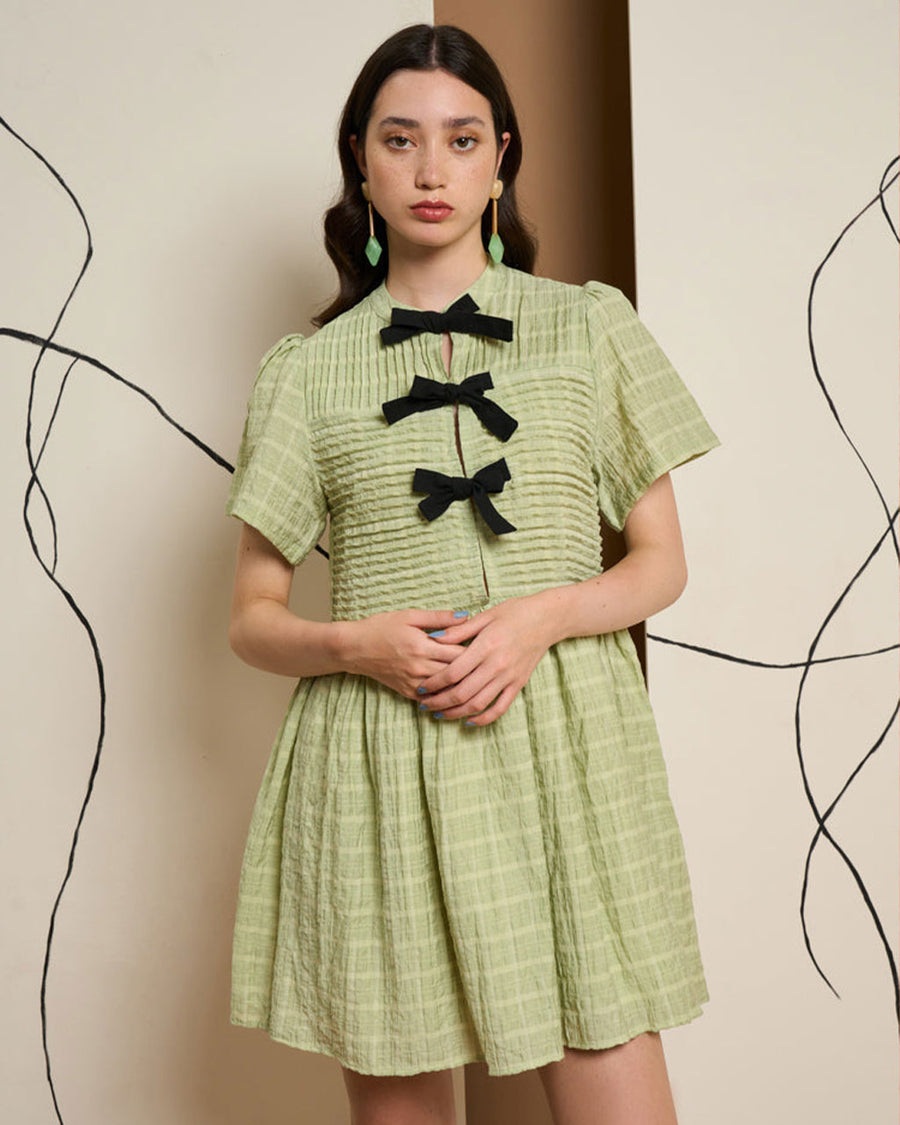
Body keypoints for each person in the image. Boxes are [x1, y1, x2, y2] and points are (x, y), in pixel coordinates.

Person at [225, 22, 719, 1125]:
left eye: (461, 139)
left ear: (502, 158)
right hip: (378, 757)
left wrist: (541, 617)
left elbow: (661, 564)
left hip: (568, 748)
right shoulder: (305, 372)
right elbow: (251, 617)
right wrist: (355, 643)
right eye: (400, 139)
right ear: (361, 162)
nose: (431, 170)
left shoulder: (587, 326)